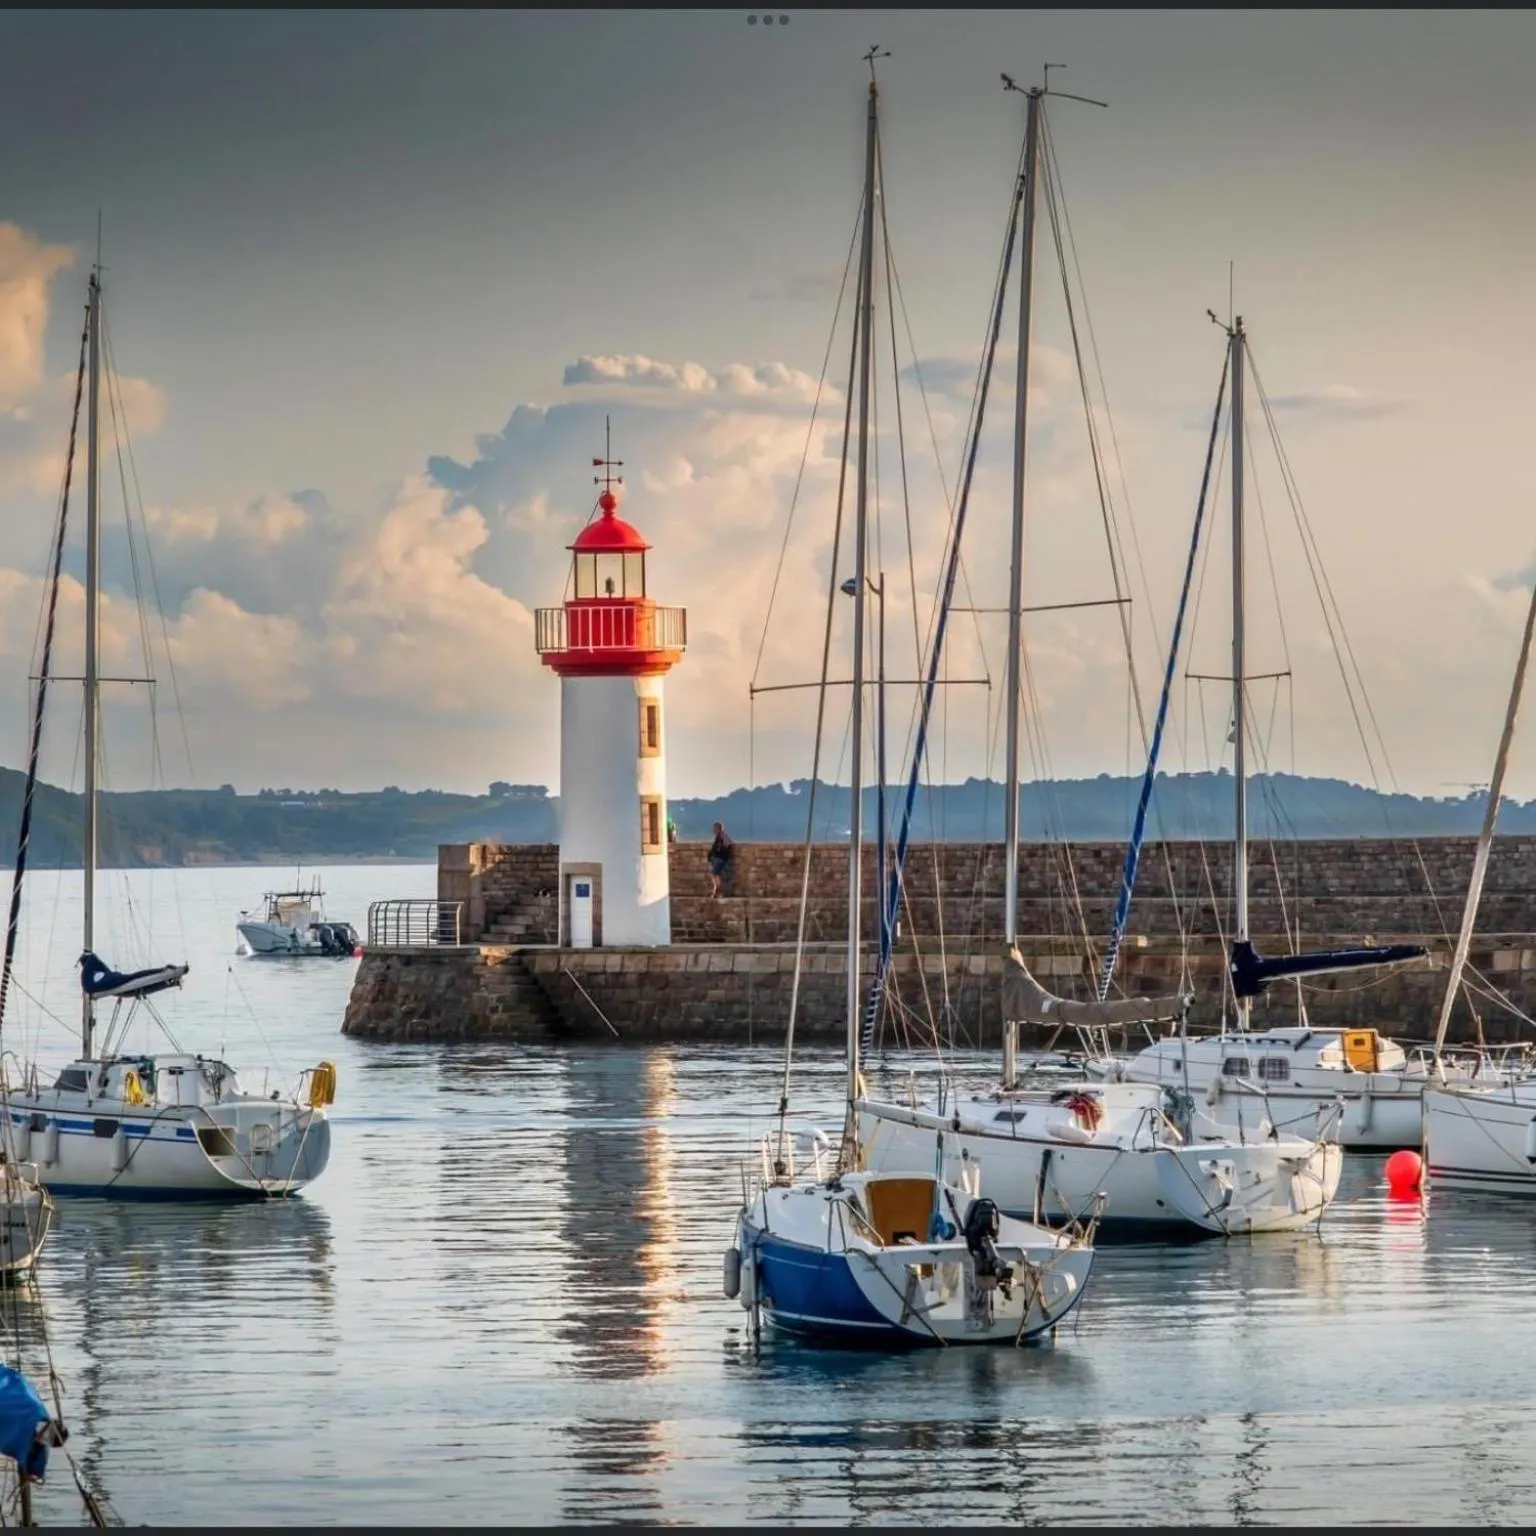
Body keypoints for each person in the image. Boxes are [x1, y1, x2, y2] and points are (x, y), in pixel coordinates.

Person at [708, 822, 734, 899]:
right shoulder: (720, 836)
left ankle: (716, 890)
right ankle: (717, 891)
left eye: (714, 828)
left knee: (714, 873)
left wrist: (719, 851)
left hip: (720, 858)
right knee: (717, 874)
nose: (713, 830)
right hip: (720, 858)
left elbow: (727, 845)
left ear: (718, 829)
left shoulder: (722, 836)